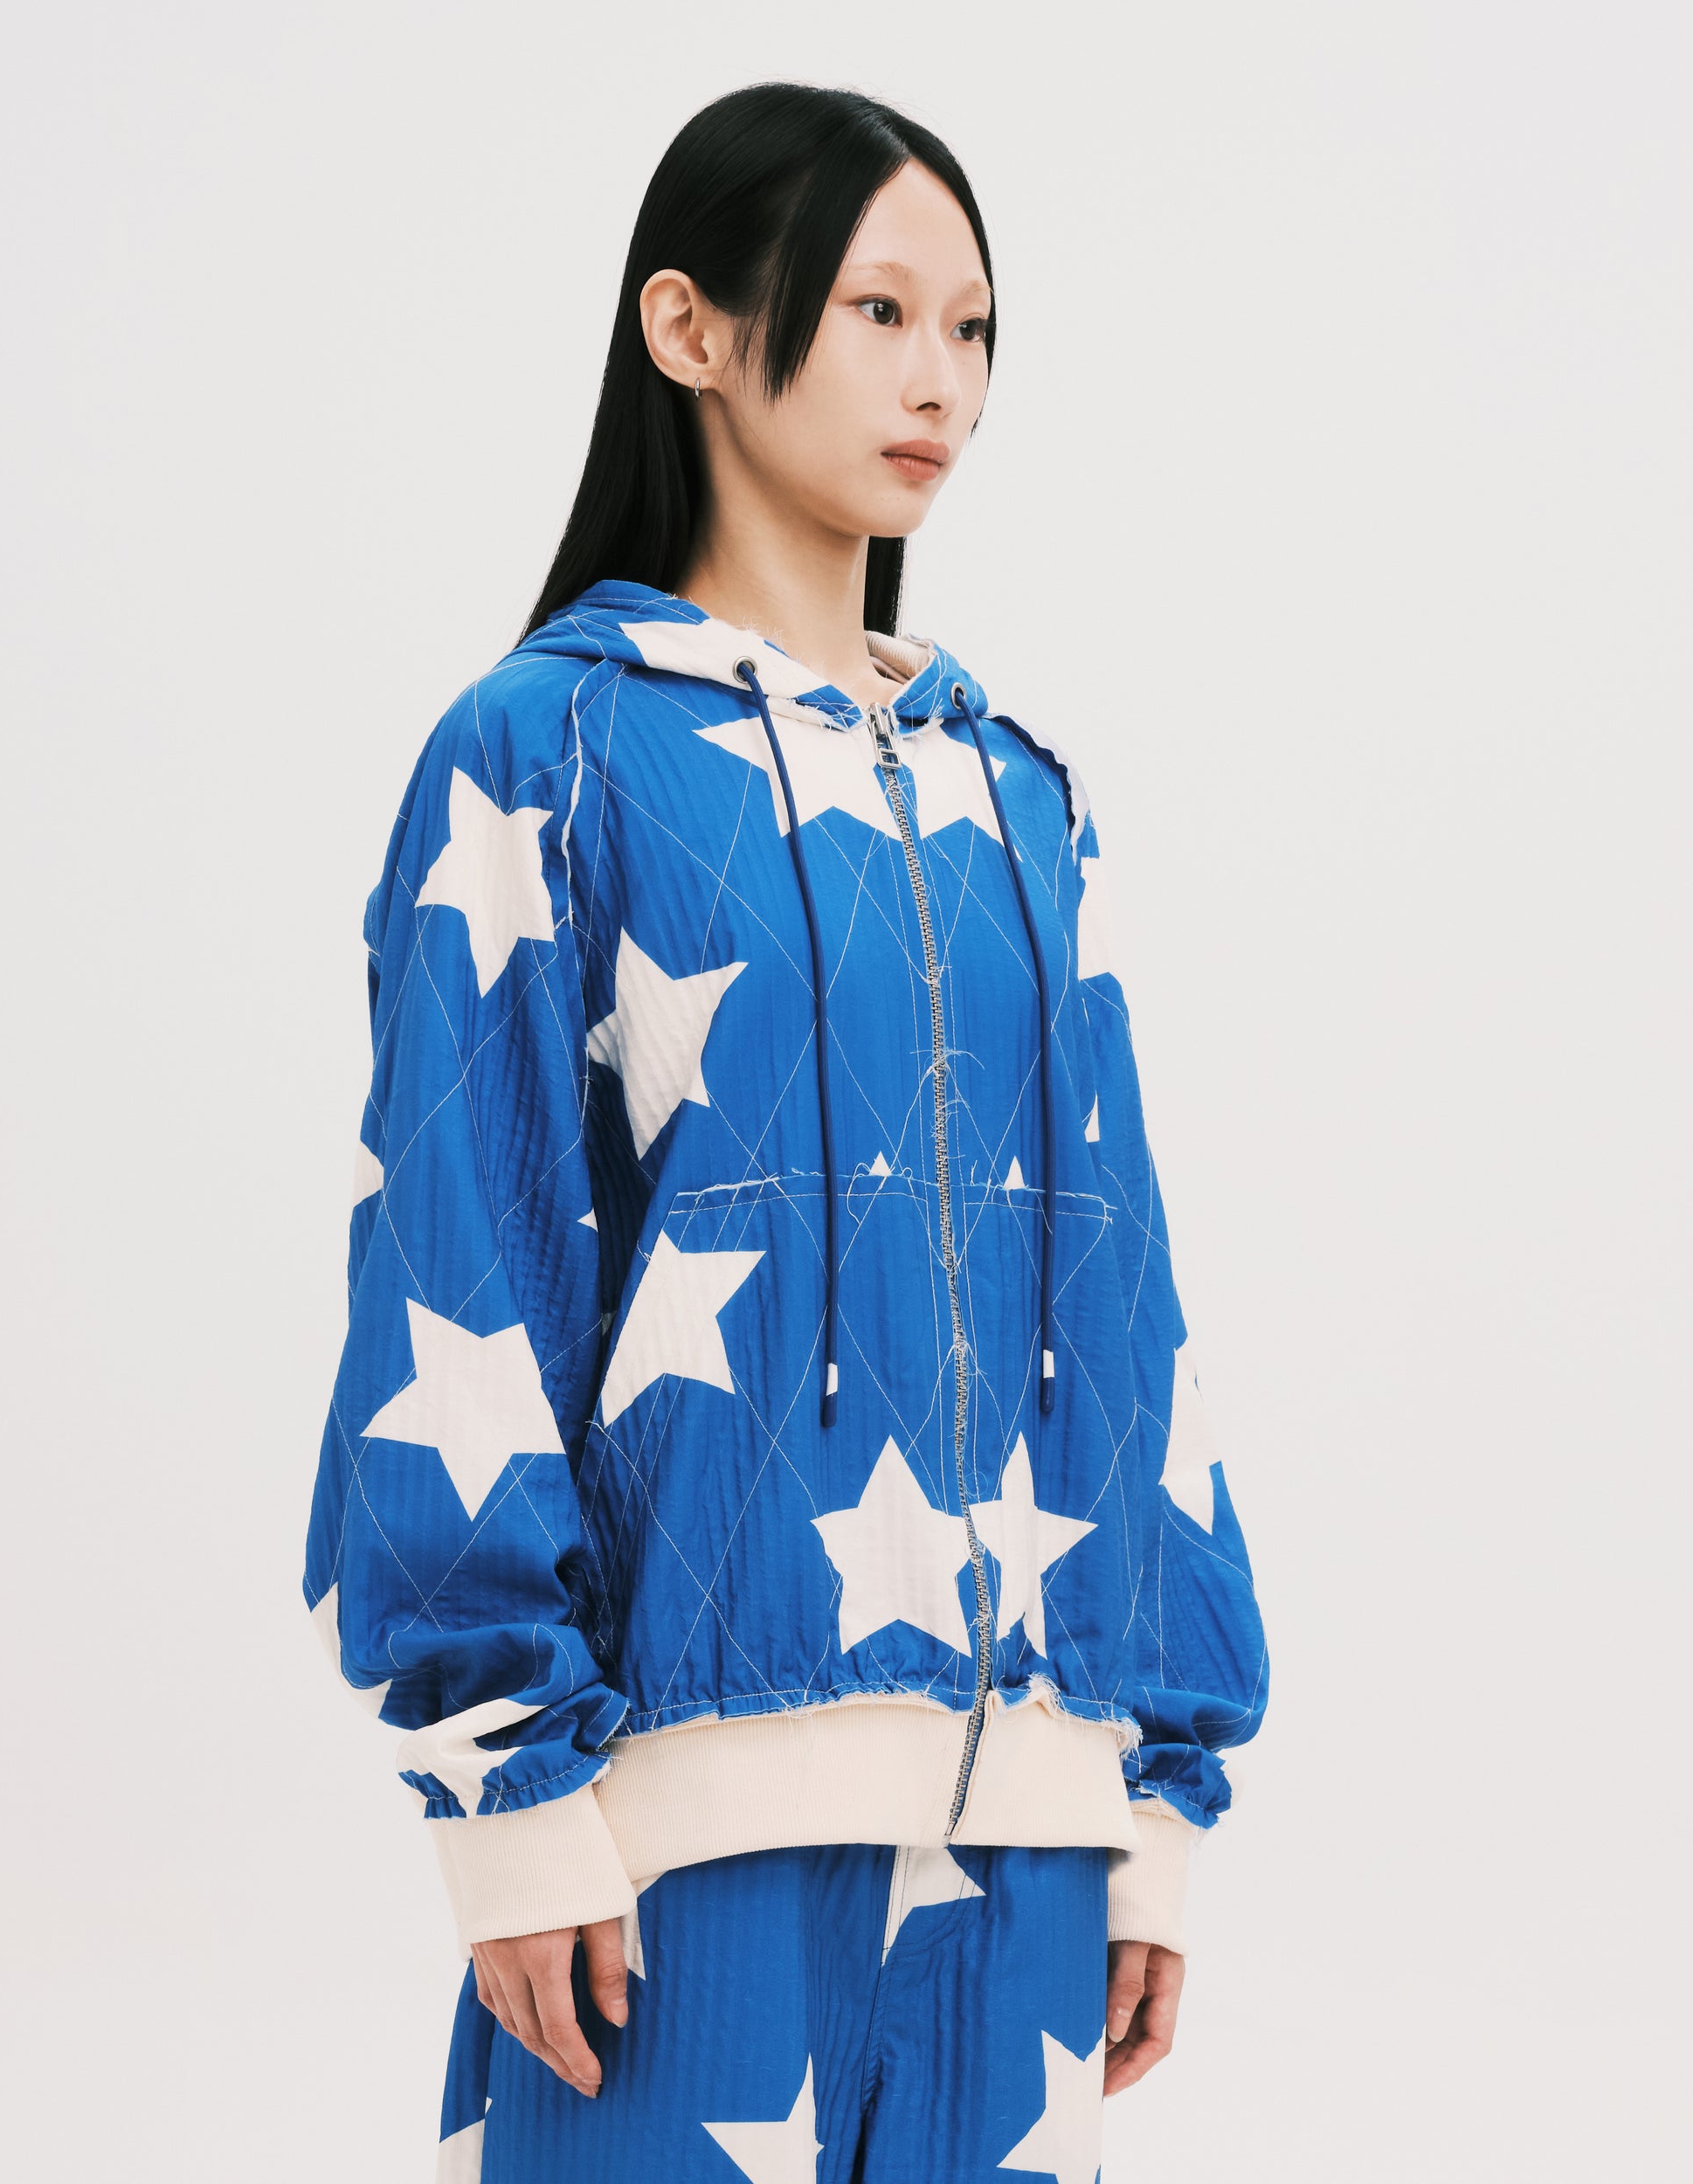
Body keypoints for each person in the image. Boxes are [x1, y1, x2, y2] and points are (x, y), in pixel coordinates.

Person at [303, 81, 1269, 2184]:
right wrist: (509, 1792)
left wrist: (1153, 1793)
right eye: (877, 311)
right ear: (691, 328)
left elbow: (1124, 1295)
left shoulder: (1022, 795)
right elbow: (457, 1258)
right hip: (670, 1849)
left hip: (1029, 1849)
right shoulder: (541, 751)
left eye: (974, 329)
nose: (942, 382)